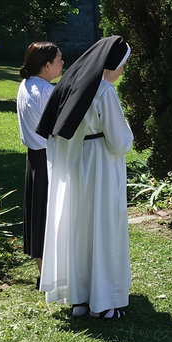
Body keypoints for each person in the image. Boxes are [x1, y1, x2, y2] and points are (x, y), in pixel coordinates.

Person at [35, 36, 133, 319]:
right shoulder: (104, 92)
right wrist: (127, 127)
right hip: (101, 165)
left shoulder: (69, 88)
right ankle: (104, 303)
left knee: (80, 228)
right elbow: (119, 142)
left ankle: (79, 298)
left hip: (77, 163)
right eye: (123, 64)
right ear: (112, 64)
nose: (123, 70)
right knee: (103, 228)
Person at [16, 41, 64, 280]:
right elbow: (59, 128)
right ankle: (49, 275)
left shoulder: (26, 85)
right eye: (59, 60)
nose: (63, 63)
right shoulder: (44, 91)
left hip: (35, 158)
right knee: (47, 215)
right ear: (47, 65)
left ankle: (44, 273)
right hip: (47, 159)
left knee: (39, 214)